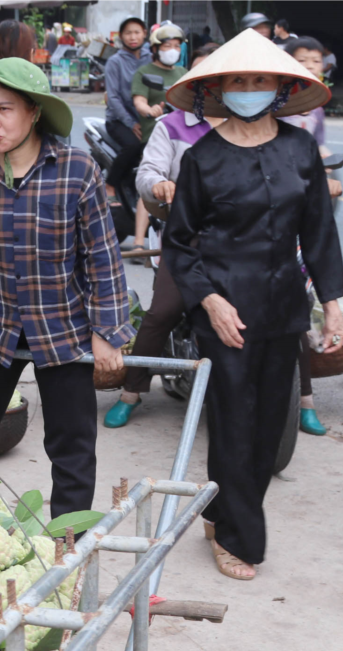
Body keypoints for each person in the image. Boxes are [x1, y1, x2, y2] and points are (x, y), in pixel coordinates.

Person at [162, 30, 343, 580]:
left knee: (269, 433)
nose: (248, 88)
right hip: (224, 313)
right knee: (234, 425)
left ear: (280, 88)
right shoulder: (202, 159)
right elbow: (178, 245)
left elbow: (318, 233)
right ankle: (241, 540)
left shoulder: (298, 150)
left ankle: (220, 510)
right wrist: (210, 301)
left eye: (259, 79)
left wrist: (331, 303)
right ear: (220, 89)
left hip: (283, 306)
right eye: (237, 80)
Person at [0, 58, 132, 516]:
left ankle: (67, 551)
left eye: (5, 108)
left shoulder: (77, 172)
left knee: (72, 449)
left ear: (34, 111)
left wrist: (107, 331)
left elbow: (103, 259)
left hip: (63, 330)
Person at [105, 43, 223, 429]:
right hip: (185, 238)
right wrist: (159, 184)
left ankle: (301, 399)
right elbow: (146, 171)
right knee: (162, 313)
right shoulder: (174, 124)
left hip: (243, 241)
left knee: (286, 315)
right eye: (203, 77)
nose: (213, 84)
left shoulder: (252, 125)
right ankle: (132, 392)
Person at [281, 36, 343, 435]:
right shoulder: (263, 111)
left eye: (316, 61)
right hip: (244, 244)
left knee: (299, 315)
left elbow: (313, 155)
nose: (309, 67)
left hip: (295, 231)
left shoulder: (315, 111)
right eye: (301, 61)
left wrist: (326, 179)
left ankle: (304, 400)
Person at [129, 24, 187, 253]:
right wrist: (148, 110)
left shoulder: (183, 74)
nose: (172, 50)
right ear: (155, 48)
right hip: (155, 132)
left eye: (176, 46)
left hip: (184, 136)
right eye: (167, 46)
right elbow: (139, 101)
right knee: (151, 182)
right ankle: (138, 242)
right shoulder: (144, 72)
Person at [103, 17, 150, 216]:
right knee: (133, 145)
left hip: (146, 118)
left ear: (144, 34)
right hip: (119, 120)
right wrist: (131, 123)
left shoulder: (151, 58)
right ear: (121, 36)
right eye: (128, 33)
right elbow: (112, 97)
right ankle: (110, 185)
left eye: (137, 32)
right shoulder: (115, 62)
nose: (133, 37)